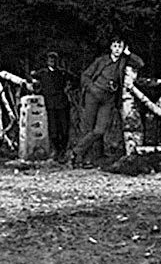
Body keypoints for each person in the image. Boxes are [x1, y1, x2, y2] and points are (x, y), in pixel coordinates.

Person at [69, 36, 144, 168]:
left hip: (108, 99)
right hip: (93, 96)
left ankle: (76, 151)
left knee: (100, 130)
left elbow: (140, 63)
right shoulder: (101, 60)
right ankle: (84, 160)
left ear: (123, 48)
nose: (117, 49)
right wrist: (92, 89)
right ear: (111, 47)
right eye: (115, 46)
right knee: (88, 128)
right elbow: (85, 76)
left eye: (120, 47)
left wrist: (129, 54)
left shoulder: (123, 61)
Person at [31, 52, 76, 162]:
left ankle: (63, 150)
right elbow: (32, 77)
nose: (52, 63)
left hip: (62, 103)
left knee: (64, 128)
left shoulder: (62, 73)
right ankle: (56, 150)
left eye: (54, 60)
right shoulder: (42, 73)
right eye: (50, 60)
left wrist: (68, 89)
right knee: (53, 129)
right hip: (50, 104)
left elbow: (75, 79)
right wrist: (38, 89)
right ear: (47, 61)